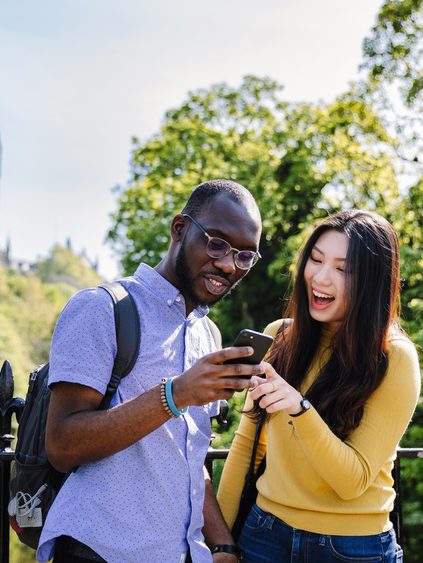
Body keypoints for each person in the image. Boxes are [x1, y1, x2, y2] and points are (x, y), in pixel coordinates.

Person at [36, 179, 265, 563]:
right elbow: (61, 445)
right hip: (97, 551)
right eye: (217, 243)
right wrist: (175, 395)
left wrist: (221, 544)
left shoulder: (208, 333)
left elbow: (186, 458)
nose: (228, 264)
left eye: (244, 256)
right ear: (179, 229)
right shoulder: (101, 308)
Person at [217, 210, 421, 563]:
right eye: (315, 260)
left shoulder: (395, 358)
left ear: (372, 281)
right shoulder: (279, 337)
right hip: (263, 535)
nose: (321, 278)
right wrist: (219, 543)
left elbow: (352, 480)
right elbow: (247, 444)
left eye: (343, 269)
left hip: (353, 548)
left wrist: (299, 408)